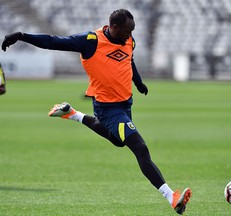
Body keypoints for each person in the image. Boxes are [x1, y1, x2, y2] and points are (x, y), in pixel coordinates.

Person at [2, 9, 191, 213]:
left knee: (118, 141)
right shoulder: (90, 41)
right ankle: (171, 196)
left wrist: (138, 82)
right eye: (128, 30)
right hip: (107, 108)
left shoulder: (129, 40)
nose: (131, 35)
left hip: (125, 104)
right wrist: (21, 36)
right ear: (114, 27)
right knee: (139, 147)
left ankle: (71, 113)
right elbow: (54, 41)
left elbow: (130, 59)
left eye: (133, 30)